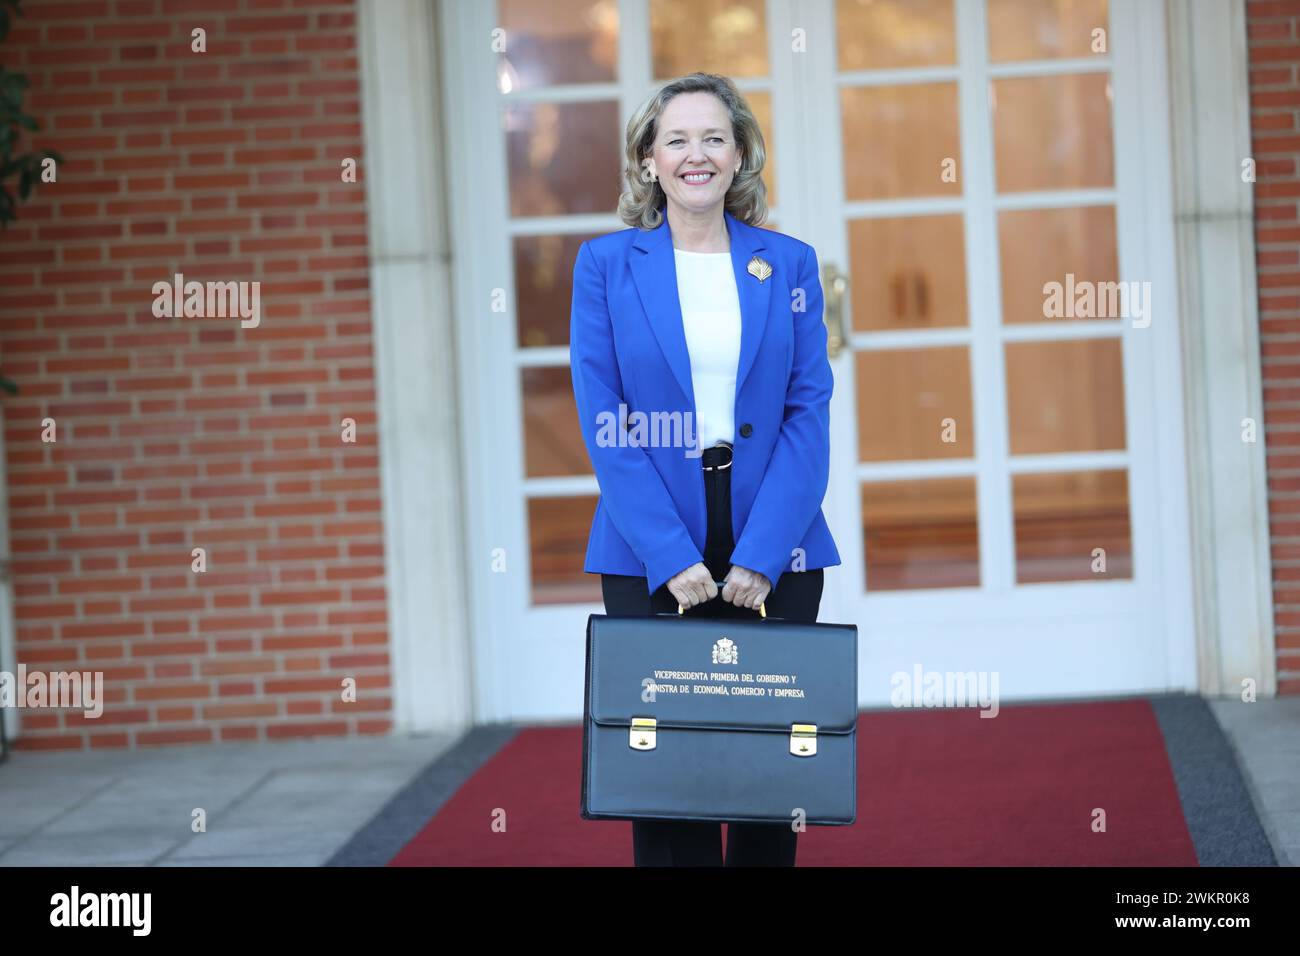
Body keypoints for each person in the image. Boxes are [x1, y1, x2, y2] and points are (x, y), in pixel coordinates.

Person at [568, 72, 841, 866]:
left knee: (767, 784)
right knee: (666, 785)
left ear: (739, 153)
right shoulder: (606, 266)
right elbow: (605, 419)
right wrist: (667, 553)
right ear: (648, 159)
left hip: (775, 541)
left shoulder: (787, 263)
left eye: (714, 137)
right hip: (648, 542)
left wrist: (762, 551)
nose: (697, 154)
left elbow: (806, 412)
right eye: (677, 139)